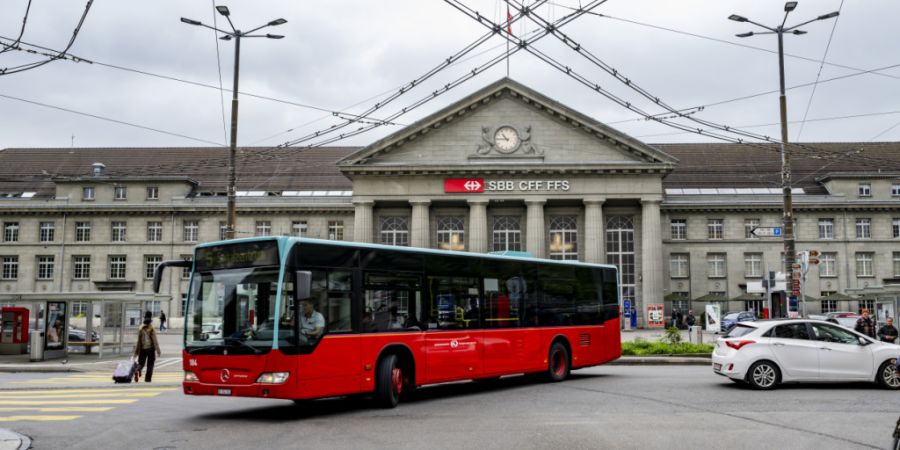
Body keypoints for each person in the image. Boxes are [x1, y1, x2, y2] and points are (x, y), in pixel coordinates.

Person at [133, 318, 161, 382]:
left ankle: (137, 370)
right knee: (150, 365)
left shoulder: (141, 330)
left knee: (141, 363)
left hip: (143, 349)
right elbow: (155, 341)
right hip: (150, 349)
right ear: (149, 323)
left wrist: (136, 353)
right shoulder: (151, 329)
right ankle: (147, 379)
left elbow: (138, 342)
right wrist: (158, 351)